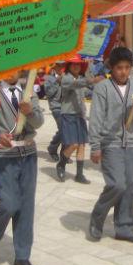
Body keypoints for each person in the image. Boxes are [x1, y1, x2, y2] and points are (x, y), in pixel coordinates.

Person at [0, 70, 44, 265]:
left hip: (28, 153)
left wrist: (30, 111)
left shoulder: (28, 92)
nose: (11, 73)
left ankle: (22, 256)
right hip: (5, 154)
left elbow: (39, 121)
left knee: (26, 207)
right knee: (9, 204)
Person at [88, 48, 133, 241]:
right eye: (119, 68)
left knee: (130, 187)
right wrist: (95, 146)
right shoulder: (103, 88)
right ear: (112, 69)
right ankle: (97, 217)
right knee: (117, 185)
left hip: (131, 143)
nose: (123, 72)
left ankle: (125, 228)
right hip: (110, 143)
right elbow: (96, 118)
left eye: (127, 68)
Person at [56, 56, 102, 184]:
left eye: (78, 65)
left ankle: (79, 174)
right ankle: (61, 164)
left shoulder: (81, 79)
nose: (76, 66)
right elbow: (75, 85)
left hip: (80, 115)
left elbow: (86, 91)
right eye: (73, 64)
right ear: (69, 66)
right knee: (73, 144)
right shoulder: (66, 79)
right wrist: (92, 80)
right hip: (68, 115)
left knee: (81, 145)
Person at [43, 62, 64, 162]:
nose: (61, 67)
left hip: (67, 107)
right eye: (59, 65)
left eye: (63, 65)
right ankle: (53, 148)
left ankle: (64, 153)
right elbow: (49, 93)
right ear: (55, 67)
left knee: (67, 130)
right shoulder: (49, 78)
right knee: (63, 128)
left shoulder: (68, 77)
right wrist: (57, 82)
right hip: (56, 107)